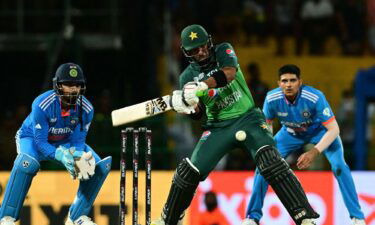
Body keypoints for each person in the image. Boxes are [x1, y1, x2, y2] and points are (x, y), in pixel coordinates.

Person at [151, 24, 319, 225]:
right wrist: (188, 107)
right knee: (190, 171)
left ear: (210, 42)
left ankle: (304, 216)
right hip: (217, 127)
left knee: (269, 160)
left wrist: (203, 85)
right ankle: (169, 219)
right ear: (187, 53)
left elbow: (229, 73)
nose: (202, 52)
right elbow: (199, 114)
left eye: (204, 46)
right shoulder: (186, 77)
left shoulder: (223, 50)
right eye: (195, 50)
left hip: (248, 118)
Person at [243, 64, 366, 225]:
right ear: (279, 83)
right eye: (284, 81)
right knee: (263, 166)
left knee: (339, 166)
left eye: (292, 80)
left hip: (320, 132)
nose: (288, 84)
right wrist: (269, 149)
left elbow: (334, 129)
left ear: (300, 81)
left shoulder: (314, 97)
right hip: (290, 133)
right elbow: (267, 127)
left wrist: (313, 152)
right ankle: (252, 217)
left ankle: (358, 217)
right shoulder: (272, 98)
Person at [0, 63, 112, 225]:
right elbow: (40, 143)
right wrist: (61, 155)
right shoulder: (42, 104)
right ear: (58, 85)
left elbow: (78, 141)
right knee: (27, 163)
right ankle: (6, 217)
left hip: (65, 140)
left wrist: (77, 157)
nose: (73, 89)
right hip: (31, 138)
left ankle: (77, 217)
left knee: (97, 167)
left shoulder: (86, 109)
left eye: (77, 85)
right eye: (68, 84)